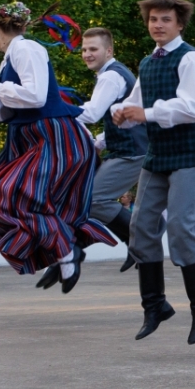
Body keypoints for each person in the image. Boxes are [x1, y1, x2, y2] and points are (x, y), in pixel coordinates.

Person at [0, 1, 114, 293]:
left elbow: (34, 96)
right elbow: (5, 114)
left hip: (52, 136)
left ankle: (65, 251)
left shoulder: (27, 49)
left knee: (11, 197)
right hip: (26, 138)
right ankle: (61, 253)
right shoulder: (9, 59)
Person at [109, 0, 195, 344]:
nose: (158, 24)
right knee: (141, 226)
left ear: (180, 24)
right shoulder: (147, 62)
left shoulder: (192, 58)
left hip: (189, 154)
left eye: (165, 19)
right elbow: (137, 104)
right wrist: (122, 114)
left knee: (181, 227)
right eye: (153, 19)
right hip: (158, 154)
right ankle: (155, 305)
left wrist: (147, 113)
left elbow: (192, 107)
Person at [75, 26, 148, 273]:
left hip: (132, 152)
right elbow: (119, 117)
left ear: (108, 51)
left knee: (93, 199)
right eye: (84, 49)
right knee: (91, 197)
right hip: (126, 149)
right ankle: (137, 246)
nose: (87, 54)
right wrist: (100, 142)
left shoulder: (110, 76)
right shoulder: (118, 73)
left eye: (93, 49)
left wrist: (56, 115)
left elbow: (93, 113)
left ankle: (141, 245)